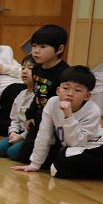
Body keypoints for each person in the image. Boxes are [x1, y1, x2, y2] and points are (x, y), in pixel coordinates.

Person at [12, 65, 103, 180]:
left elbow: (76, 142)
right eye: (65, 88)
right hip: (71, 147)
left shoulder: (93, 111)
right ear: (58, 90)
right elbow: (44, 135)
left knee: (59, 167)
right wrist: (35, 164)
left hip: (98, 147)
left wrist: (68, 116)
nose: (70, 93)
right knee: (55, 166)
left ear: (87, 96)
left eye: (77, 90)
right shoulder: (52, 103)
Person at [19, 24, 70, 163]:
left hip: (56, 124)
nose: (36, 51)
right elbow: (37, 95)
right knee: (21, 156)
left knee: (39, 159)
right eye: (34, 46)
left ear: (59, 49)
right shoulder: (36, 69)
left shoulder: (64, 73)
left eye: (42, 47)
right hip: (39, 120)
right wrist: (30, 115)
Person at [0, 55, 35, 161]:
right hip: (19, 132)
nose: (24, 71)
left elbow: (36, 125)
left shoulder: (39, 97)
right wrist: (13, 132)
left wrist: (21, 137)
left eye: (30, 68)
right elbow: (14, 118)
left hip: (29, 135)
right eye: (23, 68)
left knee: (13, 153)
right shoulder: (21, 94)